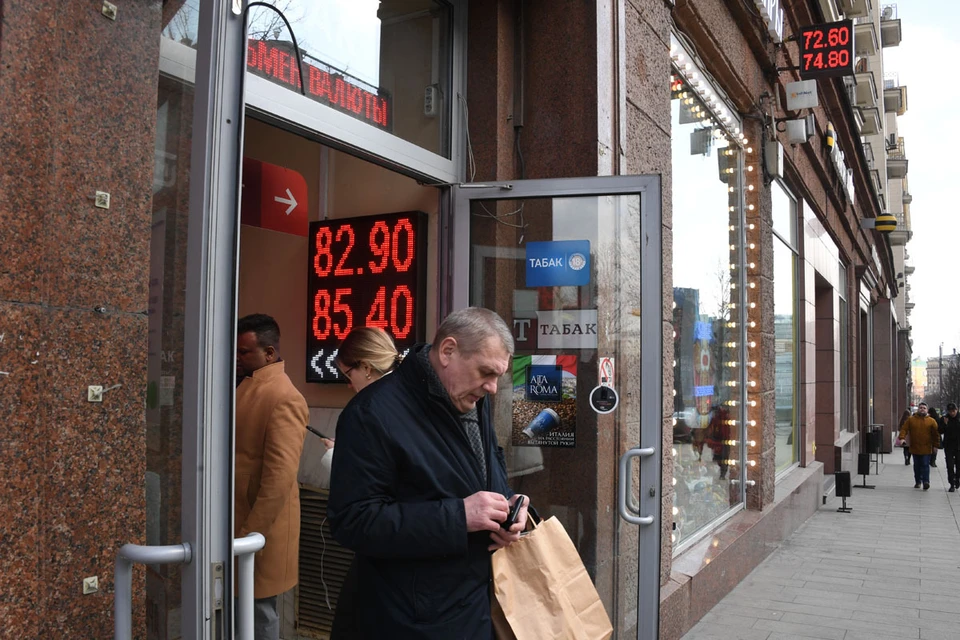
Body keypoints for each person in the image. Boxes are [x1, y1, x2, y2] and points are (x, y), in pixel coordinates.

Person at [328, 307, 527, 639]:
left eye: (498, 376)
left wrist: (511, 507)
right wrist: (460, 516)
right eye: (485, 372)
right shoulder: (370, 414)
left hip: (474, 608)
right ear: (448, 351)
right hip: (410, 622)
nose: (492, 388)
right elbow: (352, 521)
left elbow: (483, 476)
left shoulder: (472, 398)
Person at [235, 314, 308, 640]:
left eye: (245, 352)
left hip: (258, 525)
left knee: (260, 611)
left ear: (269, 353)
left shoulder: (283, 396)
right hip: (238, 520)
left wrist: (252, 534)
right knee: (242, 608)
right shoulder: (245, 385)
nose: (238, 358)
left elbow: (280, 476)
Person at [327, 326, 402, 639]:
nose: (348, 385)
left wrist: (339, 456)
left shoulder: (366, 410)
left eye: (348, 374)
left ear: (367, 367)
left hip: (388, 546)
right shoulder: (413, 395)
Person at [898, 402, 940, 490]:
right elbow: (904, 429)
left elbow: (936, 434)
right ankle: (918, 481)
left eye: (924, 408)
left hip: (926, 447)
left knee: (925, 464)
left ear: (927, 410)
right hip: (915, 447)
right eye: (921, 407)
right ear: (918, 409)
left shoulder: (931, 421)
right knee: (917, 466)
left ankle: (926, 482)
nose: (922, 409)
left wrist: (936, 445)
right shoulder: (911, 419)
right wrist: (902, 438)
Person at [940, 402, 960, 492]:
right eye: (950, 411)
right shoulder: (945, 418)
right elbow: (940, 431)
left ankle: (957, 479)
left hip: (959, 446)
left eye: (954, 411)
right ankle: (952, 483)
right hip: (949, 446)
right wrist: (945, 424)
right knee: (950, 465)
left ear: (957, 410)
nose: (952, 413)